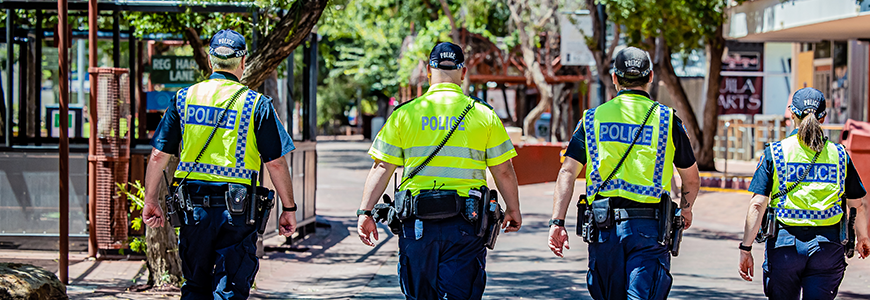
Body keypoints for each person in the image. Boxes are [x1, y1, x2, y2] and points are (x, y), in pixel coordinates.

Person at [355, 42, 522, 300]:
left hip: (417, 225)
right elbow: (504, 171)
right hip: (466, 226)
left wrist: (365, 212)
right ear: (463, 72)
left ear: (428, 71)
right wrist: (513, 209)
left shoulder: (404, 114)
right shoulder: (484, 115)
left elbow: (382, 166)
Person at [142, 29, 298, 299]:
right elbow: (275, 163)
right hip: (237, 212)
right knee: (230, 290)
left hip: (193, 209)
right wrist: (289, 208)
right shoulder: (256, 105)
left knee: (194, 286)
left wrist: (151, 200)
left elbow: (158, 155)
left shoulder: (184, 98)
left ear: (210, 60)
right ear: (243, 62)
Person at [547, 47, 702, 300]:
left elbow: (568, 171)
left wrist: (558, 222)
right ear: (650, 76)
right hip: (649, 229)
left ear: (614, 78)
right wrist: (686, 209)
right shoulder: (668, 120)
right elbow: (691, 178)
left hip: (603, 228)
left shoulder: (592, 118)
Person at [738, 87, 870, 299]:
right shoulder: (839, 155)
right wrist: (863, 237)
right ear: (824, 117)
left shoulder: (776, 152)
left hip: (784, 247)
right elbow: (857, 205)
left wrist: (746, 247)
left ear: (792, 114)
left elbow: (757, 204)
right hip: (828, 247)